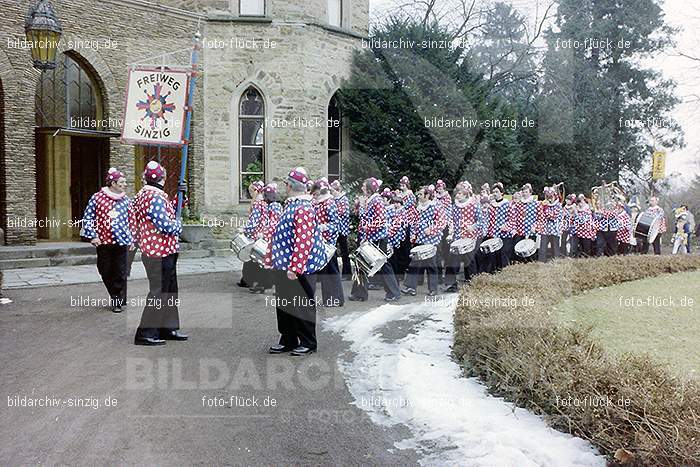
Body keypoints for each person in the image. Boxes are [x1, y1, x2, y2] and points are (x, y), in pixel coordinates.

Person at [268, 168, 329, 355]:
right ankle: (288, 339)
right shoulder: (294, 205)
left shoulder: (303, 208)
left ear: (291, 185)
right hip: (285, 264)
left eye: (286, 183)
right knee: (285, 304)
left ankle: (308, 342)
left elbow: (303, 240)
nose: (284, 186)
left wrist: (295, 267)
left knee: (301, 305)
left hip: (298, 267)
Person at [129, 161, 188, 346]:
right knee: (159, 292)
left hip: (161, 250)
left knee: (169, 291)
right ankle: (146, 332)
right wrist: (178, 225)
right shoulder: (154, 196)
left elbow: (164, 211)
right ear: (162, 177)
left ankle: (167, 327)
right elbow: (165, 224)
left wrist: (181, 197)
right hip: (159, 251)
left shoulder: (145, 195)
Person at [81, 168, 133, 313]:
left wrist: (133, 238)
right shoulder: (97, 198)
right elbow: (88, 217)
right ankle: (116, 294)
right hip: (103, 242)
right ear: (113, 183)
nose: (125, 184)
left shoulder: (126, 200)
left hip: (122, 242)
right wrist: (93, 235)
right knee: (104, 270)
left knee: (120, 271)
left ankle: (116, 299)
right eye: (122, 182)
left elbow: (132, 220)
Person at [349, 178, 402, 302]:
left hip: (378, 238)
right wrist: (361, 206)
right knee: (361, 264)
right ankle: (359, 293)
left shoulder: (377, 200)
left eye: (363, 186)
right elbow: (363, 217)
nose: (361, 188)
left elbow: (381, 220)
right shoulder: (370, 200)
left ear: (368, 189)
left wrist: (367, 228)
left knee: (383, 265)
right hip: (370, 237)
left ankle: (394, 293)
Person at [402, 185, 447, 296]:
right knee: (414, 264)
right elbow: (414, 223)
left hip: (431, 241)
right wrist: (413, 235)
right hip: (419, 240)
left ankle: (433, 289)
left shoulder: (436, 206)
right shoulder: (419, 207)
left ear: (427, 195)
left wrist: (431, 230)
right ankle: (411, 288)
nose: (418, 196)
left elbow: (442, 223)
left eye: (421, 194)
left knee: (431, 265)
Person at [311, 178, 344, 307]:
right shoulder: (319, 202)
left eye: (316, 192)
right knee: (326, 273)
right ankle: (330, 299)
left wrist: (322, 227)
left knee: (332, 272)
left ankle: (335, 299)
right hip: (322, 242)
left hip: (328, 243)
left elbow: (335, 224)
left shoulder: (329, 203)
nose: (314, 194)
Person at [443, 182, 481, 293]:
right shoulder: (455, 206)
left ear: (465, 194)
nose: (457, 196)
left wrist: (473, 227)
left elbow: (481, 221)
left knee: (470, 261)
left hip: (470, 238)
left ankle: (472, 283)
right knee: (453, 261)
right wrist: (451, 231)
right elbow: (452, 220)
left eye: (459, 194)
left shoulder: (474, 205)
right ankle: (451, 284)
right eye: (456, 194)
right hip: (457, 238)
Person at [239, 181, 267, 290]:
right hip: (262, 234)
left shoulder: (257, 203)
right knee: (257, 259)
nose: (250, 194)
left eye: (251, 191)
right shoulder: (264, 203)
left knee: (250, 258)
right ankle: (251, 280)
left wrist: (244, 230)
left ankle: (247, 280)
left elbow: (253, 222)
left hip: (255, 235)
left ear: (255, 191)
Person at [395, 176, 416, 277]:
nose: (402, 185)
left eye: (404, 184)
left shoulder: (410, 195)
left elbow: (405, 206)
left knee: (406, 245)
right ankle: (401, 266)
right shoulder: (401, 194)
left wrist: (398, 198)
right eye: (401, 183)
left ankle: (406, 265)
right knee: (401, 245)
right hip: (399, 222)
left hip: (407, 222)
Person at [535, 186, 564, 262]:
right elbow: (539, 215)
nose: (549, 198)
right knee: (542, 248)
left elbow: (553, 216)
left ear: (554, 196)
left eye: (551, 196)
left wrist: (545, 208)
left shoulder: (558, 205)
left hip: (555, 230)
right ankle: (541, 263)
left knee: (555, 248)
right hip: (545, 229)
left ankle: (556, 263)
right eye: (547, 196)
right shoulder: (543, 204)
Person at [330, 180, 352, 279]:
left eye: (333, 191)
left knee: (344, 252)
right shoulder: (334, 199)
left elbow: (343, 213)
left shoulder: (344, 199)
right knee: (333, 252)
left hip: (342, 230)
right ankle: (334, 274)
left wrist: (333, 212)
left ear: (337, 190)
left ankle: (347, 274)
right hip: (335, 230)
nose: (332, 193)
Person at [487, 183, 512, 270]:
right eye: (493, 192)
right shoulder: (491, 205)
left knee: (504, 254)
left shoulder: (507, 204)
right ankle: (494, 273)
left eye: (497, 192)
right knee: (493, 255)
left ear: (501, 193)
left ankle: (505, 273)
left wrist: (506, 226)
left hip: (504, 234)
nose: (495, 194)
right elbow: (488, 218)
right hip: (494, 234)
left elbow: (512, 218)